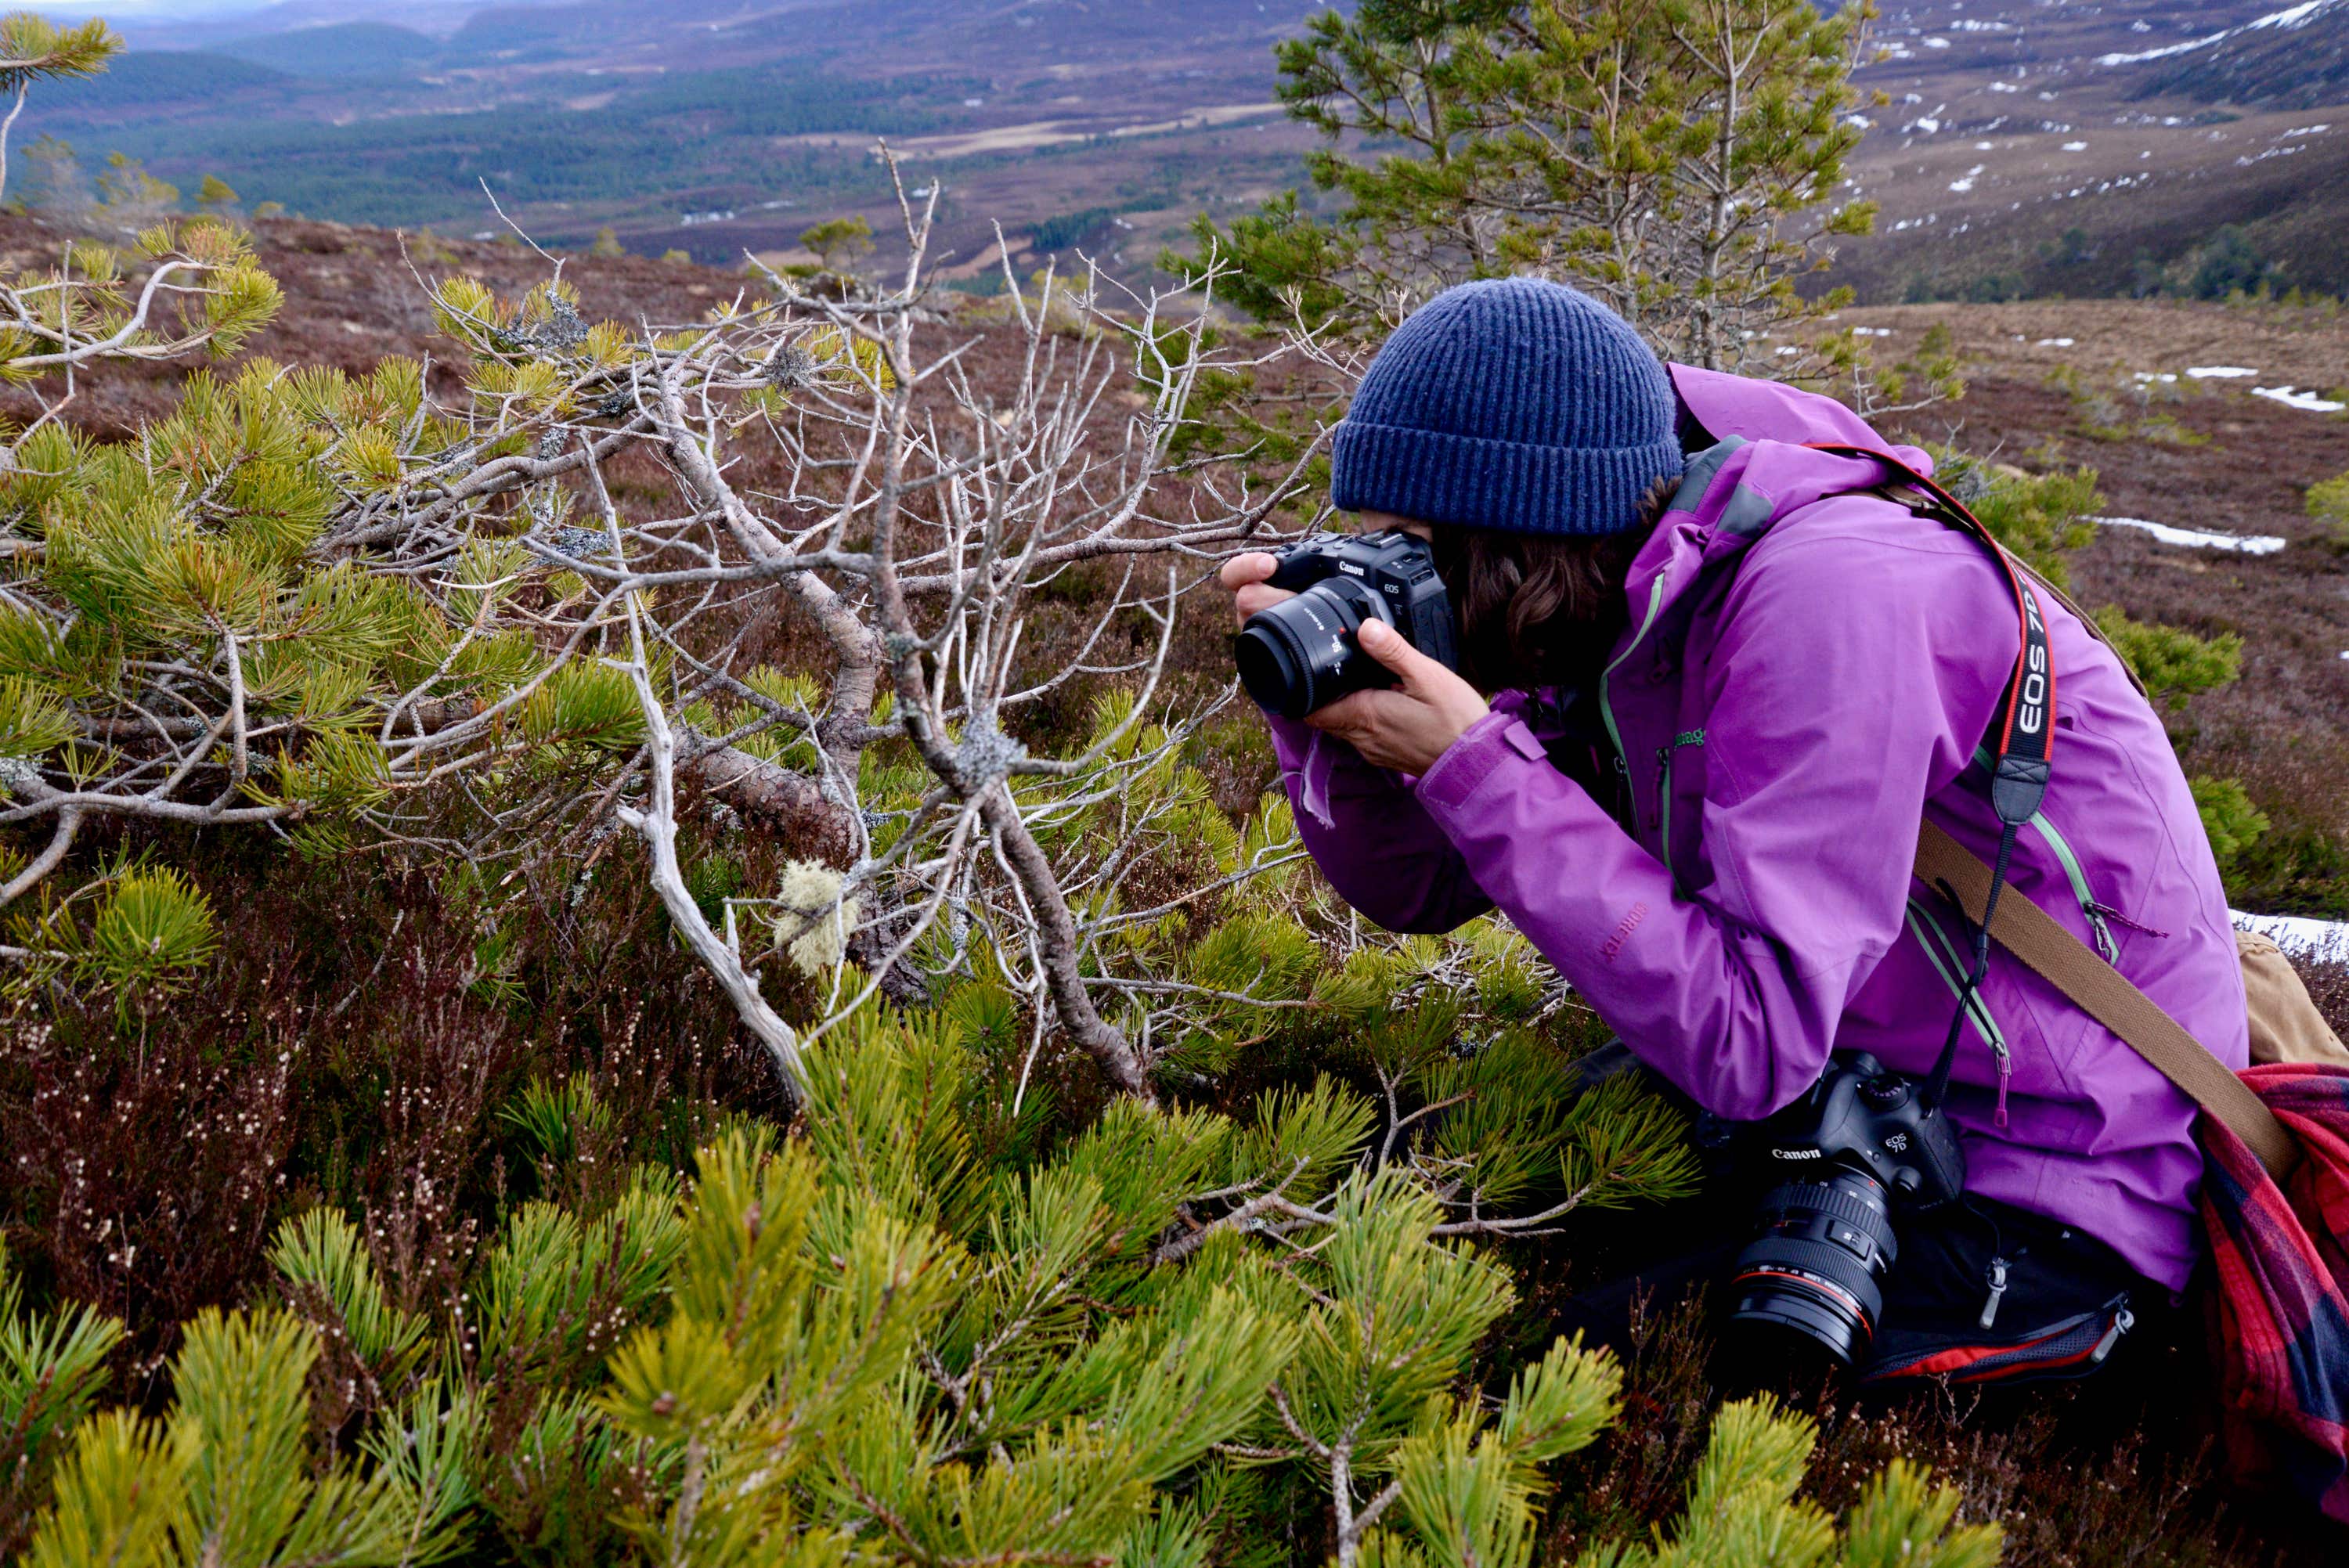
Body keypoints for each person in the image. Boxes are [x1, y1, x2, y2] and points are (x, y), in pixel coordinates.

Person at [1221, 278, 2248, 1386]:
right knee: (1389, 1200)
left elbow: (1754, 1042)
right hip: (1846, 1080)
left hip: (2050, 1169)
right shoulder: (1606, 583)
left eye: (1416, 557)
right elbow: (1414, 894)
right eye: (1370, 550)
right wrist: (1328, 721)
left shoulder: (1829, 600)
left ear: (1522, 541)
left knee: (1536, 1381)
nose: (1392, 585)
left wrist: (1478, 770)